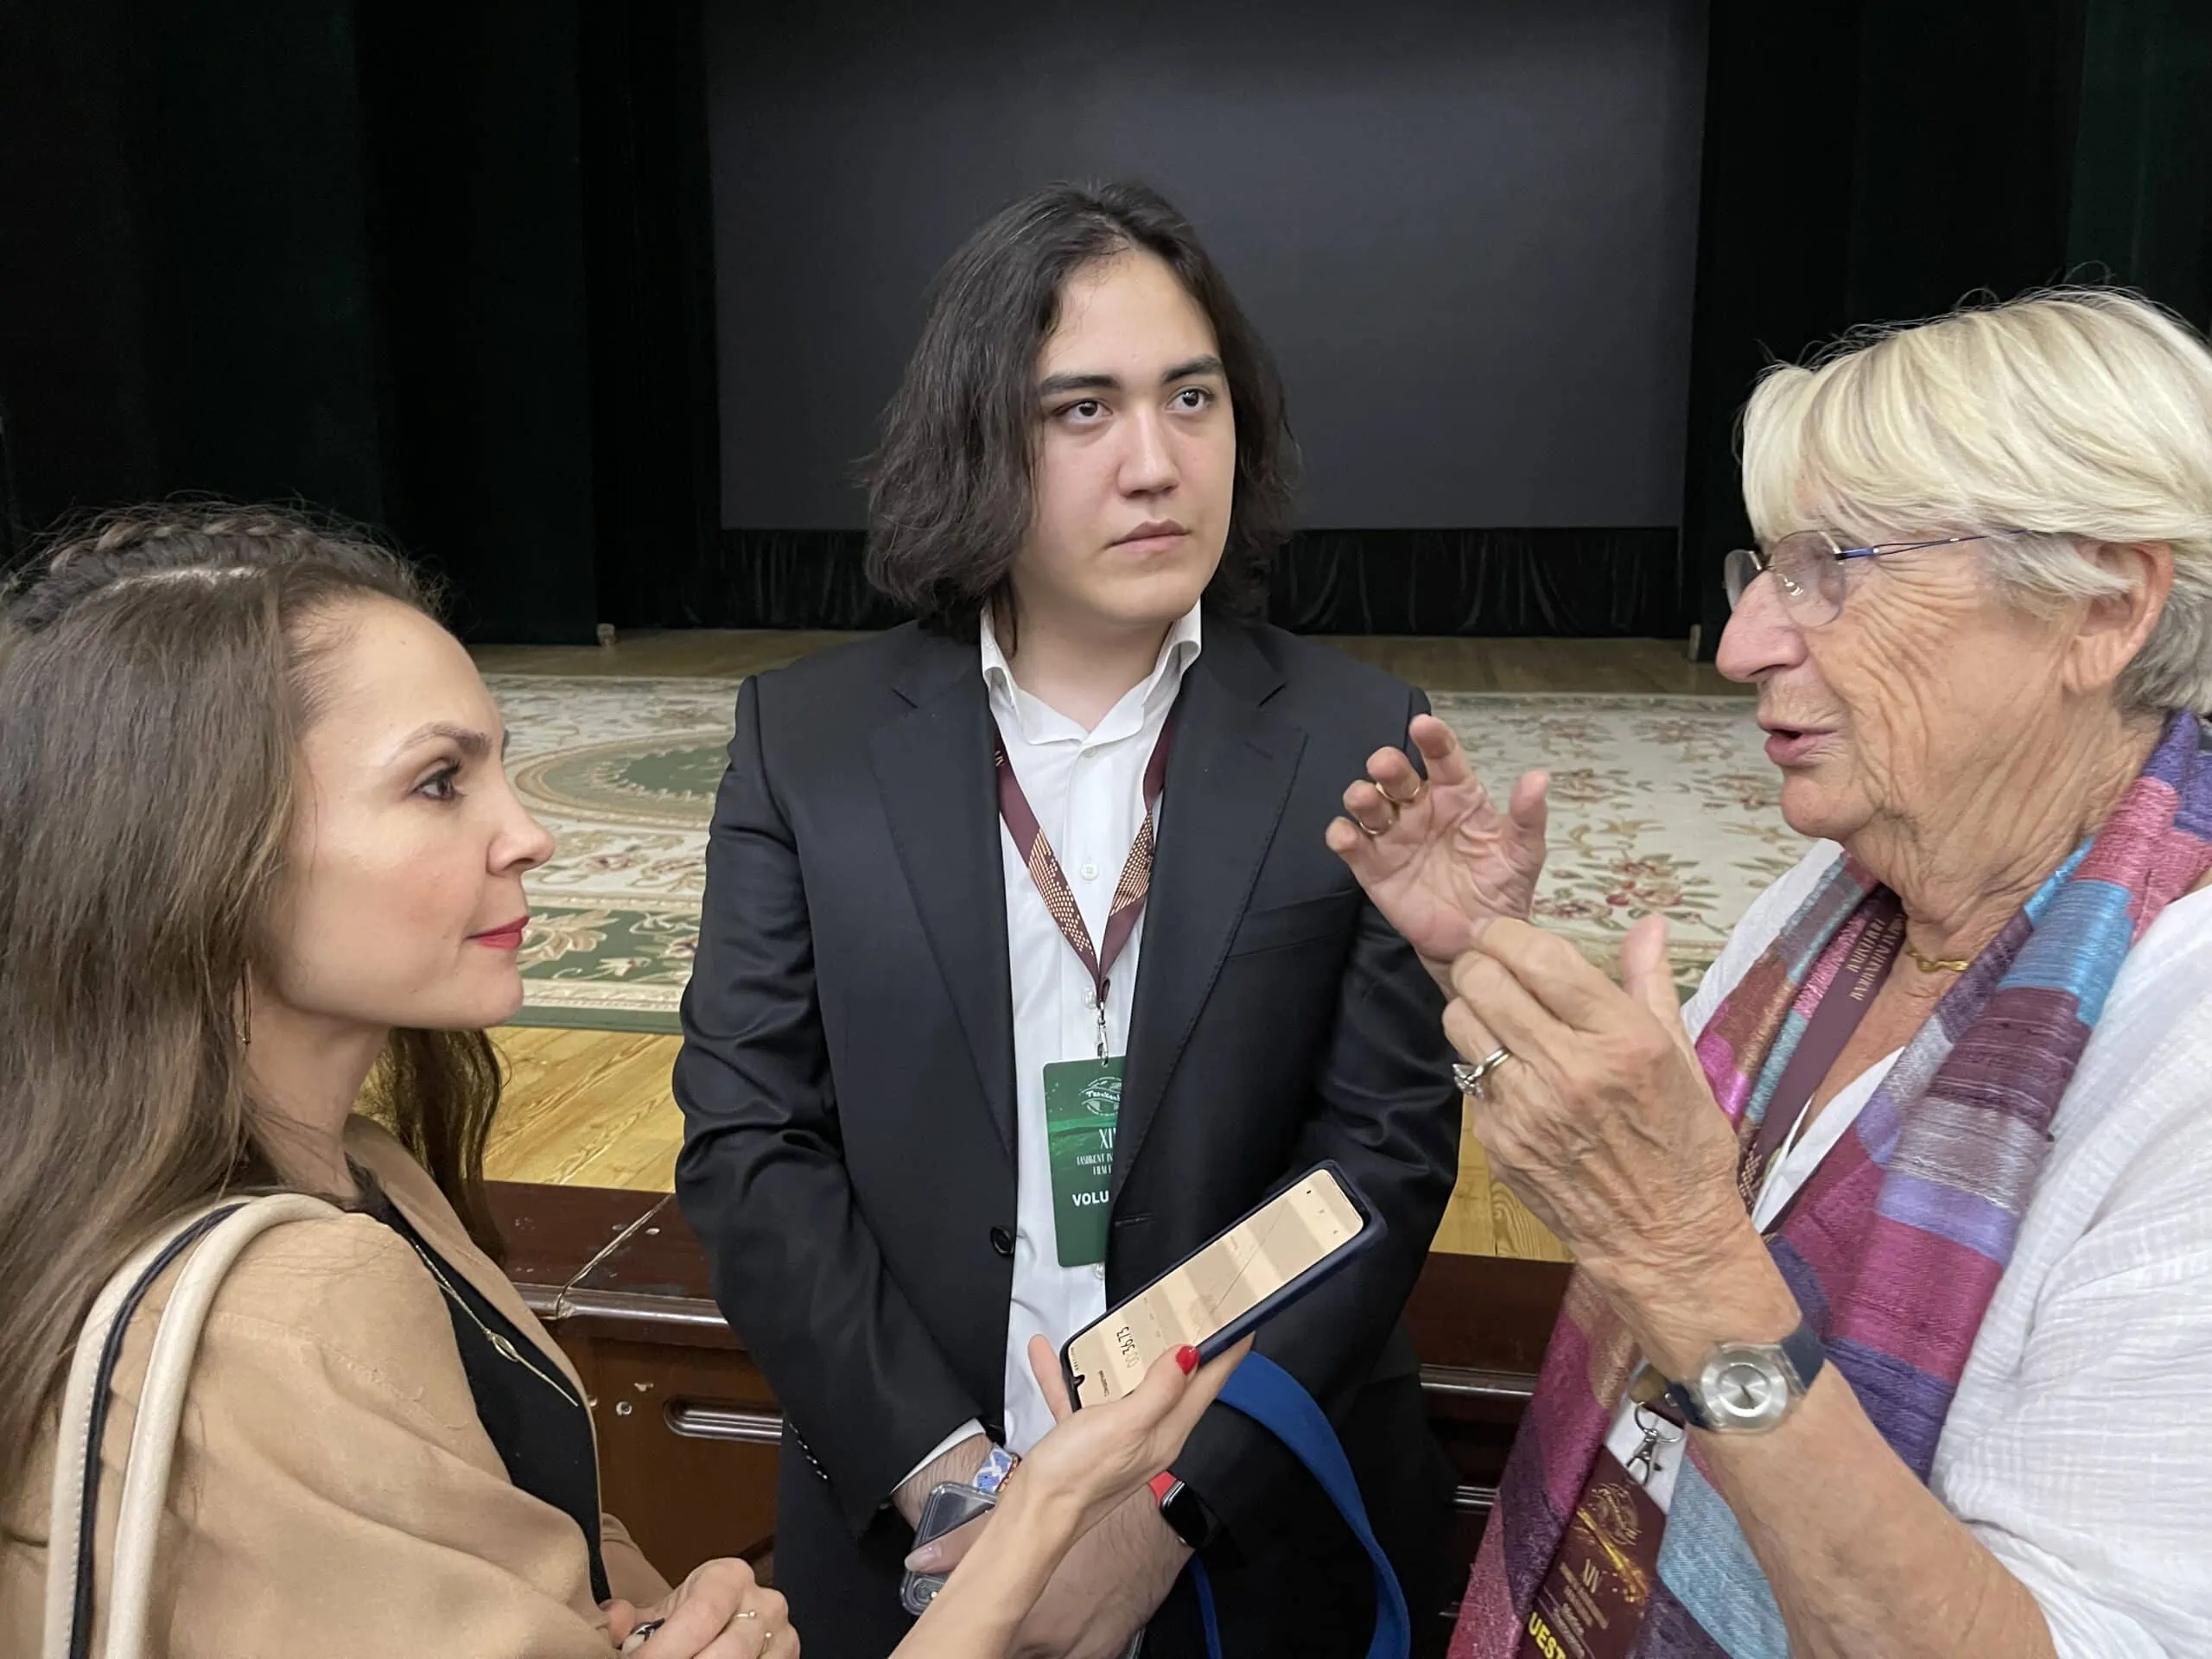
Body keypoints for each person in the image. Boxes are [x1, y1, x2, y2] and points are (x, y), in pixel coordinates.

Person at [0, 504, 1247, 1659]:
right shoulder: (290, 1308)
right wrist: (1040, 1523)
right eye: (440, 782)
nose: (529, 829)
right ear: (205, 854)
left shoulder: (359, 1172)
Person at [1332, 289, 2212, 1658]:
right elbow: (1680, 1162)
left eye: (1838, 571)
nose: (1745, 645)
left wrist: (1684, 1263)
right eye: (1768, 572)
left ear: (2105, 603)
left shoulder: (2187, 1046)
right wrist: (1491, 953)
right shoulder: (1844, 897)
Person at [673, 180, 1462, 1659]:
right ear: (980, 435)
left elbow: (1380, 1159)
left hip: (1251, 1527)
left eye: (1192, 398)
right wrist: (966, 1496)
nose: (1157, 463)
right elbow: (750, 1139)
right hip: (908, 1525)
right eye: (1082, 412)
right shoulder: (809, 741)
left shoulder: (1356, 734)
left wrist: (1162, 1512)